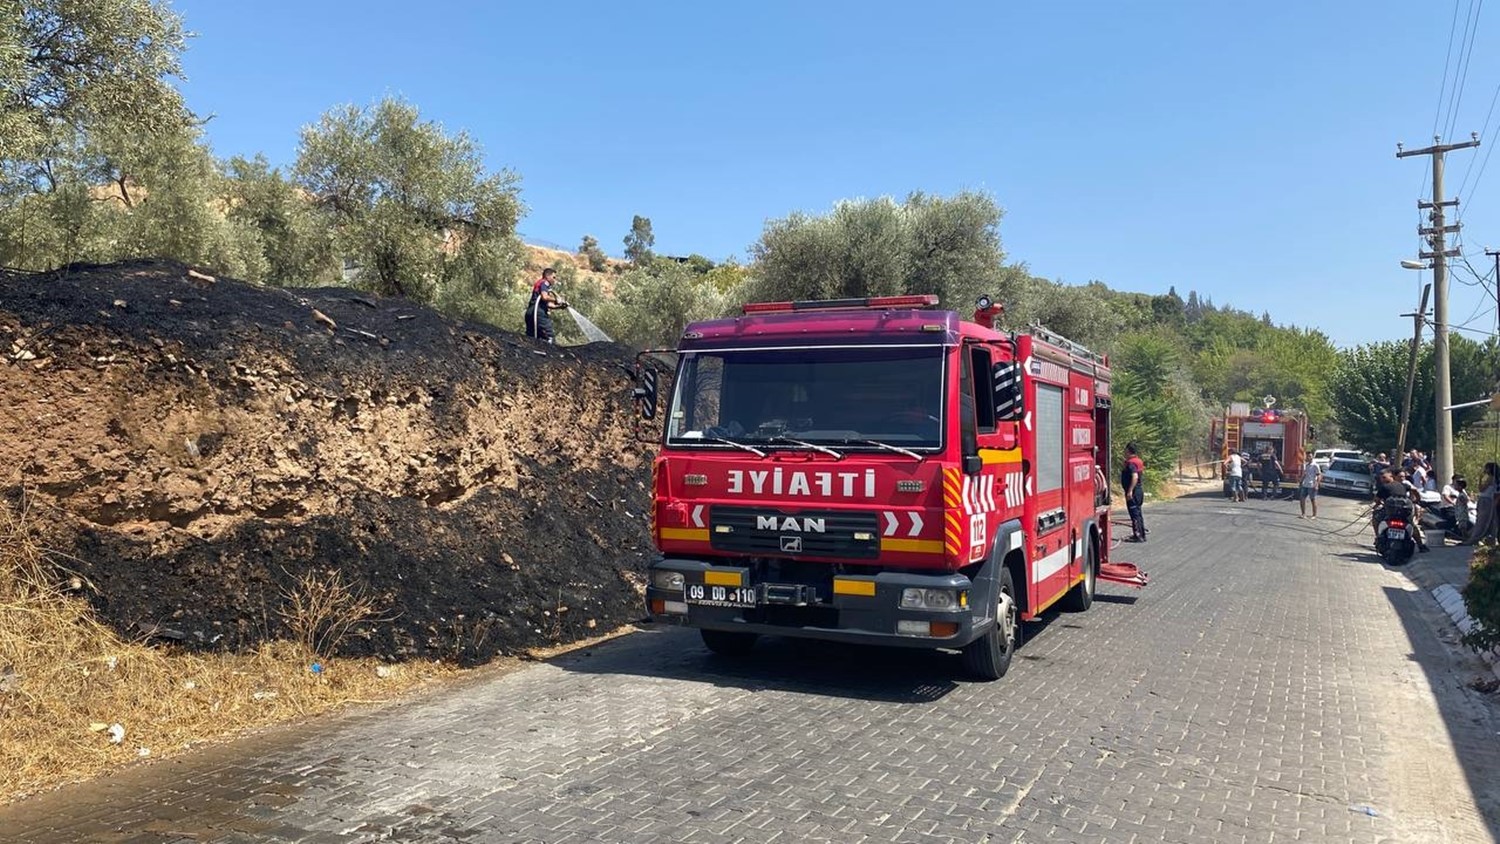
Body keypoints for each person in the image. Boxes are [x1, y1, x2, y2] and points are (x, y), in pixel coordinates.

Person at [1374, 468, 1428, 552]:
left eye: (1384, 477)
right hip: (1404, 513)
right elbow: (1415, 490)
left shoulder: (1384, 487)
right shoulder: (1402, 485)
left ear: (1391, 476)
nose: (1382, 480)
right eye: (1381, 478)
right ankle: (1421, 545)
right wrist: (1417, 500)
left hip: (1390, 513)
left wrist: (1377, 505)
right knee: (1412, 526)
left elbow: (1377, 500)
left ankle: (1378, 538)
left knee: (1375, 518)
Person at [524, 268, 569, 343]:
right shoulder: (545, 283)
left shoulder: (540, 283)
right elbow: (544, 297)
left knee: (532, 339)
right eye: (553, 277)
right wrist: (557, 300)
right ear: (547, 276)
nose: (555, 280)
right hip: (538, 313)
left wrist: (560, 306)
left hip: (530, 313)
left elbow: (548, 305)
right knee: (549, 336)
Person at [1465, 462, 1499, 544]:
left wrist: (1480, 479)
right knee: (1491, 520)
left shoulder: (1490, 478)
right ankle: (1491, 539)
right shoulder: (1496, 478)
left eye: (1486, 468)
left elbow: (1481, 489)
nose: (1485, 470)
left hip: (1485, 500)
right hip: (1489, 499)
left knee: (1481, 520)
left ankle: (1474, 538)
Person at [1121, 442, 1146, 541]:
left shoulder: (1131, 463)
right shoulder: (1138, 461)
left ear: (1128, 450)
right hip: (1139, 491)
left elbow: (1134, 477)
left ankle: (1138, 536)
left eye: (1125, 450)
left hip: (1134, 492)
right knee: (1138, 513)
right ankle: (1141, 534)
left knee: (1134, 514)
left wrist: (1130, 491)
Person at [1297, 452, 1322, 518]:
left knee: (1312, 500)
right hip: (1305, 484)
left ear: (1312, 457)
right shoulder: (1306, 465)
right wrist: (1300, 482)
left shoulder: (1315, 465)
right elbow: (1304, 475)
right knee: (1302, 499)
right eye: (1307, 456)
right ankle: (1303, 514)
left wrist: (1316, 484)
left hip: (1312, 485)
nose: (1308, 458)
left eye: (1310, 456)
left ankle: (1314, 515)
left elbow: (1319, 475)